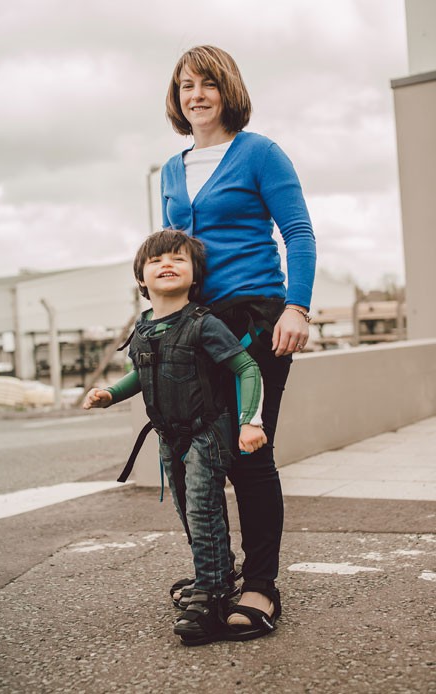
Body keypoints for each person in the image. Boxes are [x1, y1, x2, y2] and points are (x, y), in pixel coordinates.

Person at [161, 45, 316, 638]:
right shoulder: (173, 171)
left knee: (250, 451)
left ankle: (262, 586)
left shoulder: (260, 153)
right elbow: (172, 252)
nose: (195, 95)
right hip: (194, 325)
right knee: (199, 453)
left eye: (206, 84)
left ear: (227, 90)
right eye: (184, 87)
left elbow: (298, 232)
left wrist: (297, 306)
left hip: (255, 314)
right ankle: (216, 574)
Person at [83, 229, 268, 645]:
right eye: (156, 261)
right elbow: (141, 370)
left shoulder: (204, 324)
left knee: (203, 510)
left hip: (207, 431)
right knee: (189, 510)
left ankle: (213, 594)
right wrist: (111, 393)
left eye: (178, 259)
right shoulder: (145, 326)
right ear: (141, 278)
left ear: (196, 276)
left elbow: (247, 368)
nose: (166, 264)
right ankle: (216, 573)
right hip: (169, 435)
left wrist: (250, 422)